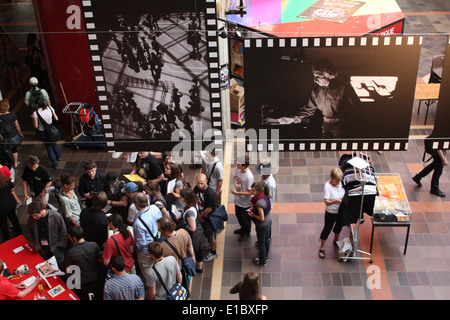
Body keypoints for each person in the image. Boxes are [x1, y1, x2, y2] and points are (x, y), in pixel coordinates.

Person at [265, 59, 359, 139]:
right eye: (314, 77)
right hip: (326, 126)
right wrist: (292, 118)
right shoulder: (316, 92)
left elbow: (358, 107)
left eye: (318, 77)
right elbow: (308, 110)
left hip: (343, 128)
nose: (315, 80)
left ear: (329, 75)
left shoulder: (344, 89)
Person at [65, 225, 103, 300]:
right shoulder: (94, 245)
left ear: (74, 238)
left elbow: (68, 270)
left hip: (81, 284)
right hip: (96, 280)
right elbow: (99, 259)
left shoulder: (71, 253)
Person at [27, 199, 67, 270]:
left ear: (42, 210)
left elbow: (63, 230)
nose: (34, 218)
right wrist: (34, 243)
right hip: (42, 248)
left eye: (36, 215)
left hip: (56, 247)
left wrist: (60, 244)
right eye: (33, 216)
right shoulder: (32, 219)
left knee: (60, 264)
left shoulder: (56, 216)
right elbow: (30, 231)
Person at [132, 192, 163, 284]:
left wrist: (133, 243)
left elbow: (141, 243)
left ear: (136, 205)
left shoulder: (138, 223)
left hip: (146, 252)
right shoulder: (155, 208)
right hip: (157, 243)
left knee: (148, 273)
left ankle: (152, 289)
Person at [158, 216, 195, 289]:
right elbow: (190, 247)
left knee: (176, 290)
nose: (158, 231)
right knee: (185, 285)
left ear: (165, 231)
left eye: (159, 229)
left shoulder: (162, 246)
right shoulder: (183, 232)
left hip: (174, 272)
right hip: (185, 266)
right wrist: (193, 257)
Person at [318, 167, 345, 259]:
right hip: (331, 212)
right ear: (332, 178)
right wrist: (335, 201)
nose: (338, 182)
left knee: (339, 225)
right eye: (336, 180)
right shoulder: (327, 186)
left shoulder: (341, 183)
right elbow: (326, 202)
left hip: (340, 210)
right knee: (327, 228)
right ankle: (322, 246)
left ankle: (336, 239)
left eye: (339, 180)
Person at [31, 97, 62, 169]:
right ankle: (59, 156)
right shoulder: (50, 108)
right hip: (51, 129)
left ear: (36, 104)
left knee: (49, 147)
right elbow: (56, 118)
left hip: (43, 132)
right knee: (54, 143)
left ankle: (55, 163)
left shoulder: (36, 113)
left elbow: (35, 126)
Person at [193, 173, 218, 262]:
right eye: (198, 183)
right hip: (202, 216)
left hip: (209, 218)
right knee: (206, 233)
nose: (199, 185)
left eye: (201, 183)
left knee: (211, 236)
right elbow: (194, 197)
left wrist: (200, 216)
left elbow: (210, 208)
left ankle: (213, 252)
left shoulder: (210, 193)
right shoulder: (196, 188)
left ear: (206, 182)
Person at [179, 188, 204, 272]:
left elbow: (192, 228)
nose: (179, 198)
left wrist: (184, 225)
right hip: (198, 233)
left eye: (181, 197)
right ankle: (199, 267)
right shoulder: (193, 204)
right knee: (198, 250)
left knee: (196, 250)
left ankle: (197, 267)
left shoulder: (190, 213)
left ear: (186, 198)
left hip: (194, 236)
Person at [248, 182, 272, 267]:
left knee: (261, 242)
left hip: (262, 225)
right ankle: (265, 256)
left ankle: (262, 260)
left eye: (253, 190)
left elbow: (261, 218)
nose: (251, 191)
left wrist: (253, 215)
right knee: (266, 240)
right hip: (268, 221)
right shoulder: (265, 195)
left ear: (258, 191)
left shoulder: (259, 202)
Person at [231, 155, 254, 242]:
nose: (237, 164)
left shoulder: (249, 177)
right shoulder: (238, 169)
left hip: (245, 202)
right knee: (238, 216)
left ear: (244, 166)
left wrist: (237, 193)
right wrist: (236, 184)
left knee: (245, 219)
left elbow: (250, 192)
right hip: (238, 200)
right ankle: (242, 229)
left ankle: (246, 233)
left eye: (239, 164)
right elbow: (234, 177)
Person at [0, 99, 24, 168]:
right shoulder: (12, 115)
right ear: (7, 106)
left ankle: (9, 162)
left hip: (3, 136)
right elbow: (16, 125)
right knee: (14, 149)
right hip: (13, 135)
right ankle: (15, 163)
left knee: (6, 150)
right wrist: (20, 133)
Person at [0, 172, 22, 240]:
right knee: (14, 218)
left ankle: (6, 237)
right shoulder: (6, 179)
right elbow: (12, 188)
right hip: (11, 203)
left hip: (1, 207)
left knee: (3, 222)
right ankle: (19, 233)